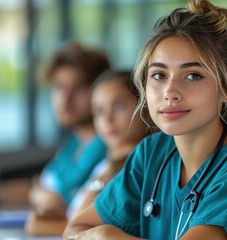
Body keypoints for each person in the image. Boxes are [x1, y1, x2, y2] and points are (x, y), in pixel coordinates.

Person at [63, 1, 227, 240]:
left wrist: (106, 235)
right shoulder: (151, 154)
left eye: (193, 75)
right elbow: (76, 227)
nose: (170, 91)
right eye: (159, 75)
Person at [25, 70, 151, 236]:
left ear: (144, 106)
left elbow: (81, 229)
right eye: (98, 111)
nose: (107, 118)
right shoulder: (106, 164)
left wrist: (39, 225)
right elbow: (78, 218)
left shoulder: (138, 167)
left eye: (118, 106)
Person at [28, 43, 110, 219]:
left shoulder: (110, 144)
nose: (65, 99)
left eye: (78, 88)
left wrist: (45, 197)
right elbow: (40, 187)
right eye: (59, 87)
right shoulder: (74, 143)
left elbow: (63, 205)